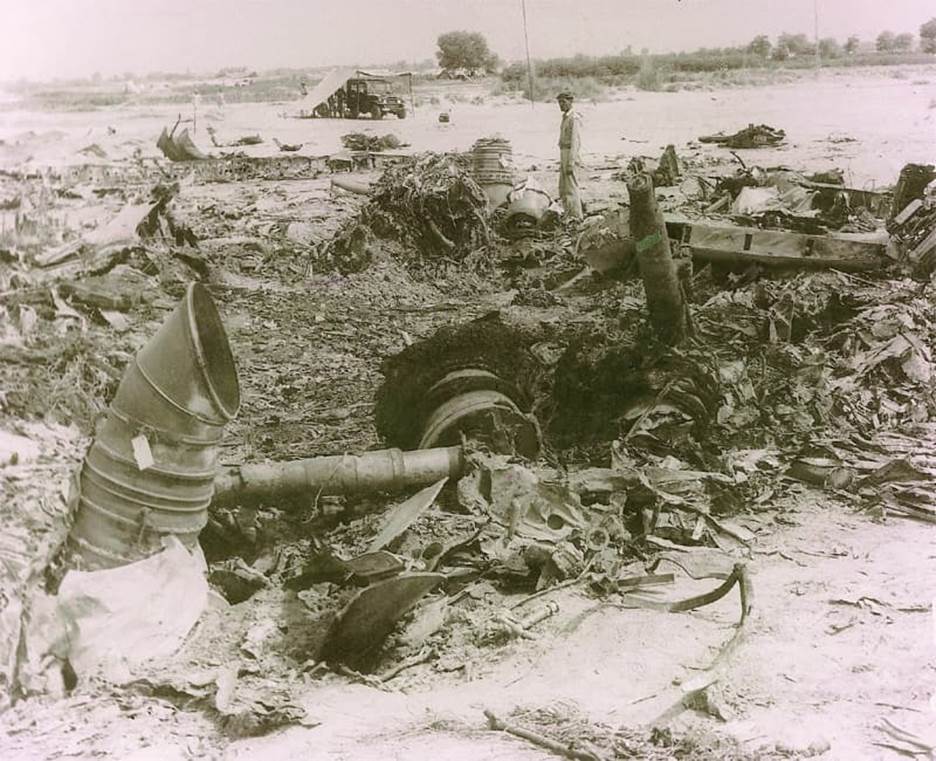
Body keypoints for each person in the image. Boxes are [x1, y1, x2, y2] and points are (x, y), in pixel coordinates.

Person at [557, 91, 583, 219]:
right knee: (563, 187)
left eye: (563, 102)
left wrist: (571, 162)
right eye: (559, 102)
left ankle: (577, 217)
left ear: (570, 102)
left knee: (571, 187)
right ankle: (568, 215)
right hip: (563, 153)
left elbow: (575, 142)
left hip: (569, 154)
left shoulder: (574, 118)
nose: (561, 105)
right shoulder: (565, 117)